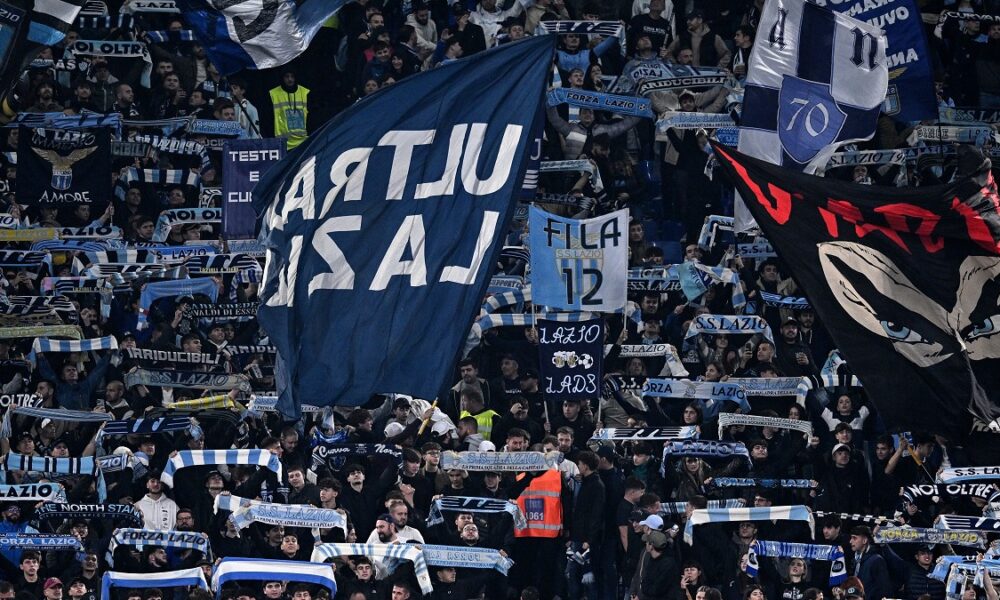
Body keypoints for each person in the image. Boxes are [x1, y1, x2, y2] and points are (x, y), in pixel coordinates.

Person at [269, 69, 310, 149]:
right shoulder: (274, 94)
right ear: (282, 78)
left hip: (303, 141)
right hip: (283, 143)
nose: (290, 79)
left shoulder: (304, 92)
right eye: (287, 76)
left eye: (292, 76)